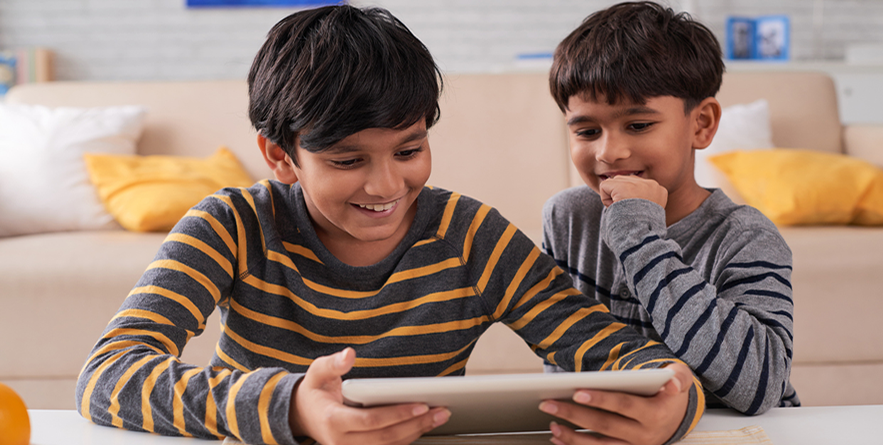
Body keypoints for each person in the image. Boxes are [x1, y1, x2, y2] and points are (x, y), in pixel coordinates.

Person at [76, 5, 704, 445]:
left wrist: (674, 408)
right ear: (279, 155)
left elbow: (624, 354)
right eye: (348, 160)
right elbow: (109, 374)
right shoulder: (233, 226)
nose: (386, 186)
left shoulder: (468, 236)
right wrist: (291, 407)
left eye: (409, 150)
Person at [541, 1, 799, 427]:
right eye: (587, 131)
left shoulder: (746, 236)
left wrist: (639, 235)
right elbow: (565, 354)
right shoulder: (569, 218)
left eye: (639, 125)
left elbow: (760, 386)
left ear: (701, 124)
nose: (609, 152)